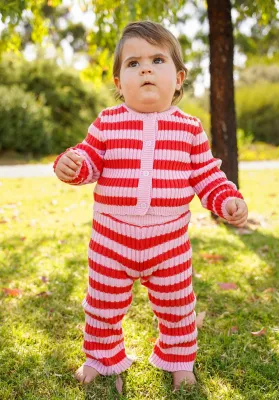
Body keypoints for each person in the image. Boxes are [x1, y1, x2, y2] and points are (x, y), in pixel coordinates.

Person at [53, 20, 248, 390]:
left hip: (169, 243)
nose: (145, 68)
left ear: (178, 78)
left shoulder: (189, 129)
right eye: (133, 63)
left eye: (157, 60)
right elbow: (89, 159)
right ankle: (100, 357)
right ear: (118, 82)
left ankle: (179, 361)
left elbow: (207, 175)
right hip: (112, 239)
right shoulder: (107, 123)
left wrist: (227, 200)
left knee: (177, 308)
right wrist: (72, 165)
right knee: (102, 306)